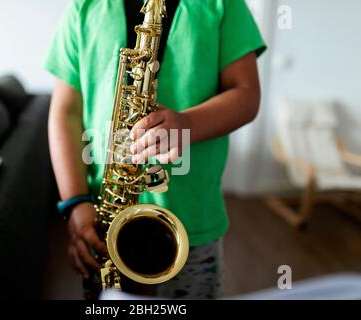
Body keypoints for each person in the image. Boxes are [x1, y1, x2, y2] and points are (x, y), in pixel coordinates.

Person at [44, 0, 266, 299]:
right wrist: (75, 202)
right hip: (103, 219)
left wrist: (187, 124)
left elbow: (247, 95)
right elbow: (65, 111)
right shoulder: (84, 8)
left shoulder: (224, 4)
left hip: (191, 223)